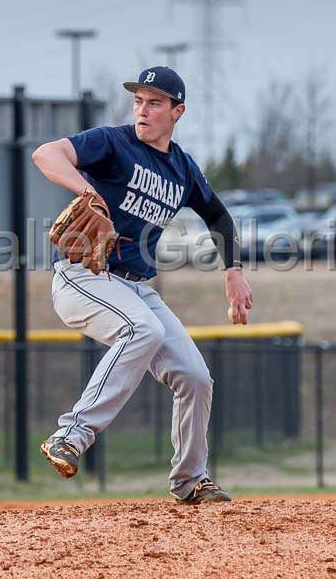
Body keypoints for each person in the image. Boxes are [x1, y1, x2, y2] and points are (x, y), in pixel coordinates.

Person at [31, 66, 252, 504]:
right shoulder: (113, 143)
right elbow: (46, 154)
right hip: (83, 279)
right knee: (143, 330)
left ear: (178, 111)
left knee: (195, 377)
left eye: (154, 102)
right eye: (138, 101)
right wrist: (86, 191)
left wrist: (234, 271)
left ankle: (190, 481)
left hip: (135, 287)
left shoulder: (183, 168)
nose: (142, 110)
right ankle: (71, 436)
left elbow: (219, 217)